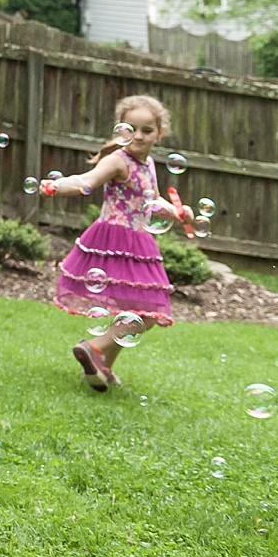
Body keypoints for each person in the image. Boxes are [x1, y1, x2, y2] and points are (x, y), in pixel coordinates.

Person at [46, 94, 187, 391]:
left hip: (138, 244)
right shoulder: (117, 161)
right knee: (148, 315)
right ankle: (94, 347)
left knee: (132, 309)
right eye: (131, 128)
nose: (138, 135)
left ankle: (103, 367)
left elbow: (153, 200)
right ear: (120, 129)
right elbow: (88, 180)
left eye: (146, 130)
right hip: (115, 242)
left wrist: (176, 211)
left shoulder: (148, 163)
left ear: (158, 134)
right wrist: (58, 186)